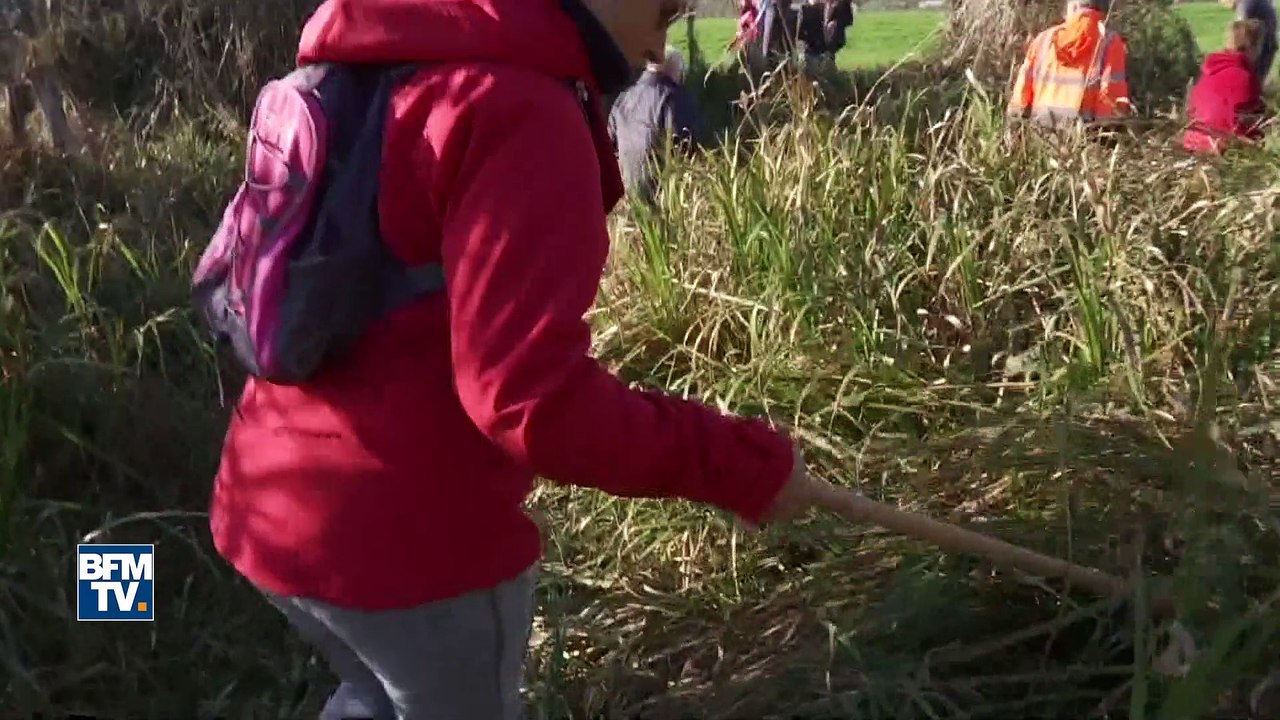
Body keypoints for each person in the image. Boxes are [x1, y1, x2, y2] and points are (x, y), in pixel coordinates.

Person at [207, 0, 855, 719]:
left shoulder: (386, 56)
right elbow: (532, 400)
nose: (671, 25)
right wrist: (744, 467)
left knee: (370, 692)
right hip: (410, 553)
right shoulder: (520, 109)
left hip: (268, 509)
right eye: (668, 5)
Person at [1007, 0, 1132, 129]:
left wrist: (1014, 132)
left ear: (1072, 6)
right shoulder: (1110, 42)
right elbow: (1110, 102)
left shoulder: (1043, 39)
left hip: (1040, 136)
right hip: (1083, 138)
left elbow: (1019, 100)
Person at [608, 46, 710, 203]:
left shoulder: (623, 99)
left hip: (628, 197)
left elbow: (609, 146)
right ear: (674, 71)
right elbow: (692, 145)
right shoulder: (673, 97)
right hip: (664, 197)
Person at [1182, 19, 1269, 154]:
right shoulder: (1247, 78)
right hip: (1221, 149)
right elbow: (1253, 126)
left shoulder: (1208, 72)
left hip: (1192, 144)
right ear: (1252, 47)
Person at [1226, 0, 1277, 82]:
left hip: (1262, 46)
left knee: (1251, 82)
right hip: (1266, 44)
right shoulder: (1248, 3)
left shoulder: (1245, 6)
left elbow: (1239, 35)